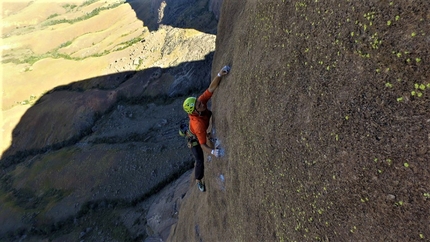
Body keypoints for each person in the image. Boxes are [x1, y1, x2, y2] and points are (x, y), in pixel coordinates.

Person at [182, 65, 230, 192]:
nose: (202, 103)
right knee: (199, 160)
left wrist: (219, 74)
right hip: (194, 139)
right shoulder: (198, 124)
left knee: (205, 137)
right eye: (199, 104)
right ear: (194, 111)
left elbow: (211, 88)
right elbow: (202, 144)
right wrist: (213, 152)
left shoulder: (199, 103)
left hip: (199, 132)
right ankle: (199, 180)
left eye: (199, 101)